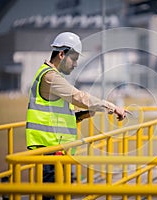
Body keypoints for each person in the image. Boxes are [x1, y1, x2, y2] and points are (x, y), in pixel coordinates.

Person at [25, 32, 127, 197]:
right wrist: (112, 107)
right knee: (52, 195)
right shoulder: (50, 77)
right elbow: (79, 97)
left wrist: (80, 116)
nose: (76, 64)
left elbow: (54, 114)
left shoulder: (51, 75)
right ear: (61, 54)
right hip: (49, 150)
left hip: (55, 149)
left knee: (59, 194)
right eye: (74, 58)